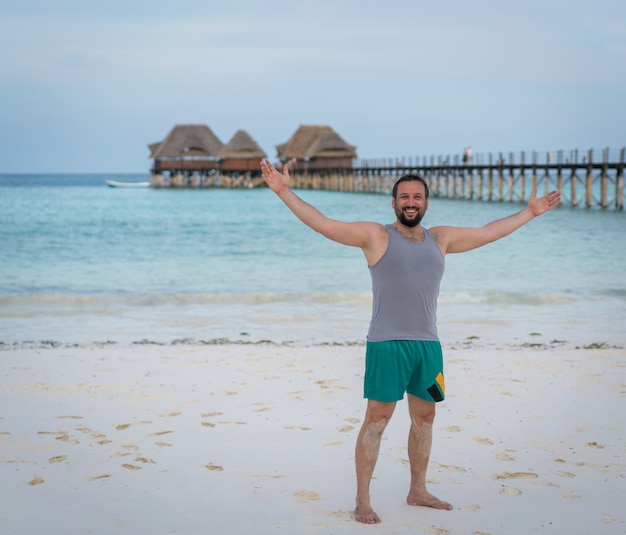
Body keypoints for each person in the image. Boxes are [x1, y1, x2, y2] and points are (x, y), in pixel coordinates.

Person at [259, 159, 561, 525]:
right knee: (377, 419)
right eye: (404, 196)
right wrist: (283, 191)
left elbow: (489, 232)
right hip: (387, 344)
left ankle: (418, 489)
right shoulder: (376, 236)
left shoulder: (442, 238)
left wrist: (529, 213)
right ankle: (362, 500)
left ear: (427, 203)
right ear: (393, 203)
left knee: (426, 416)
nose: (411, 202)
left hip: (428, 346)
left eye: (417, 196)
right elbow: (324, 225)